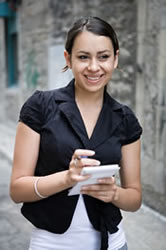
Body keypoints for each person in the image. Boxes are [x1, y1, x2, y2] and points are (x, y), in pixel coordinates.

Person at [10, 16, 143, 250]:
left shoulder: (125, 118)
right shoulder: (40, 106)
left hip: (112, 244)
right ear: (68, 58)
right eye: (83, 57)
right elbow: (17, 189)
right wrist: (67, 178)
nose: (94, 67)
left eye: (103, 56)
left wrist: (114, 194)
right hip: (50, 245)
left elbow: (134, 198)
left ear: (115, 59)